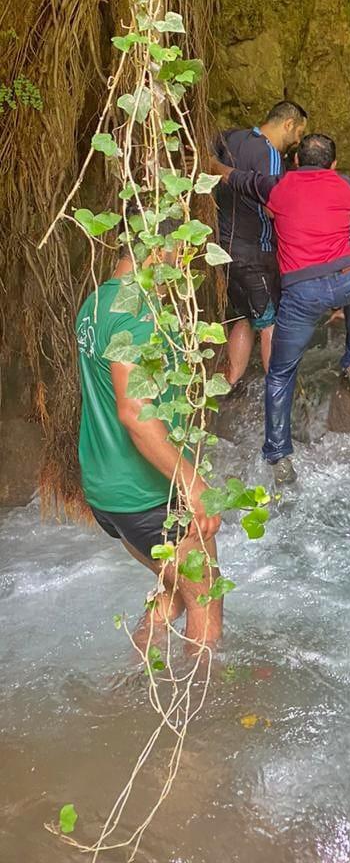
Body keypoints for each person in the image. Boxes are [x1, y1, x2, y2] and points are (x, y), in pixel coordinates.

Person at [76, 234, 223, 650]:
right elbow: (135, 413)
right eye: (182, 252)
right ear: (157, 251)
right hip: (147, 494)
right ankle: (198, 709)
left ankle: (136, 686)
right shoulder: (136, 313)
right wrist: (193, 484)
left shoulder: (96, 303)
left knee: (174, 591)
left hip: (108, 489)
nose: (183, 267)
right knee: (205, 599)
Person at [211, 133, 350, 486]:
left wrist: (211, 163)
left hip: (302, 292)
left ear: (297, 161)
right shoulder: (347, 185)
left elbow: (232, 177)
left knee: (281, 375)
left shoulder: (277, 186)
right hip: (346, 278)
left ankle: (278, 454)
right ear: (332, 164)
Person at [214, 101, 308, 391]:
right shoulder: (270, 153)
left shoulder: (231, 138)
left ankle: (230, 382)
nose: (298, 141)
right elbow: (272, 206)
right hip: (255, 250)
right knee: (270, 322)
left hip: (222, 246)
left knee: (243, 316)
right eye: (300, 133)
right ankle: (278, 391)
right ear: (289, 124)